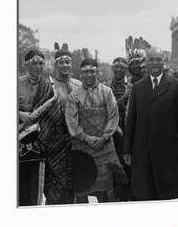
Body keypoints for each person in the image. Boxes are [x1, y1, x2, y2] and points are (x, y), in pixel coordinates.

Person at [123, 47, 178, 201]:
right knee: (145, 195)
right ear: (146, 62)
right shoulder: (138, 88)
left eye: (158, 59)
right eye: (151, 59)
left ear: (163, 61)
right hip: (142, 151)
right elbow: (131, 120)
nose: (155, 63)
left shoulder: (176, 86)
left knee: (166, 196)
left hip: (168, 151)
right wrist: (127, 149)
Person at [64, 58, 126, 203]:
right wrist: (87, 138)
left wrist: (104, 137)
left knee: (106, 188)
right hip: (82, 146)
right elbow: (72, 121)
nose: (89, 74)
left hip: (104, 146)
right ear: (80, 74)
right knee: (83, 186)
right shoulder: (74, 96)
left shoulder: (107, 92)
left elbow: (113, 116)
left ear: (97, 72)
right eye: (85, 72)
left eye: (92, 71)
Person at [18, 49, 73, 205]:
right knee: (18, 186)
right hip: (18, 142)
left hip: (42, 144)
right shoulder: (16, 83)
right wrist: (19, 114)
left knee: (37, 187)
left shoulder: (48, 86)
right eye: (34, 63)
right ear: (26, 64)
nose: (38, 67)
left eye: (41, 63)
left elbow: (54, 114)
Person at [107, 57, 132, 200]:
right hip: (110, 130)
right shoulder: (105, 87)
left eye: (122, 67)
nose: (118, 70)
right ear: (112, 68)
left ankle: (126, 196)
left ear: (125, 69)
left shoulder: (131, 88)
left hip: (127, 129)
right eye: (116, 67)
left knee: (127, 161)